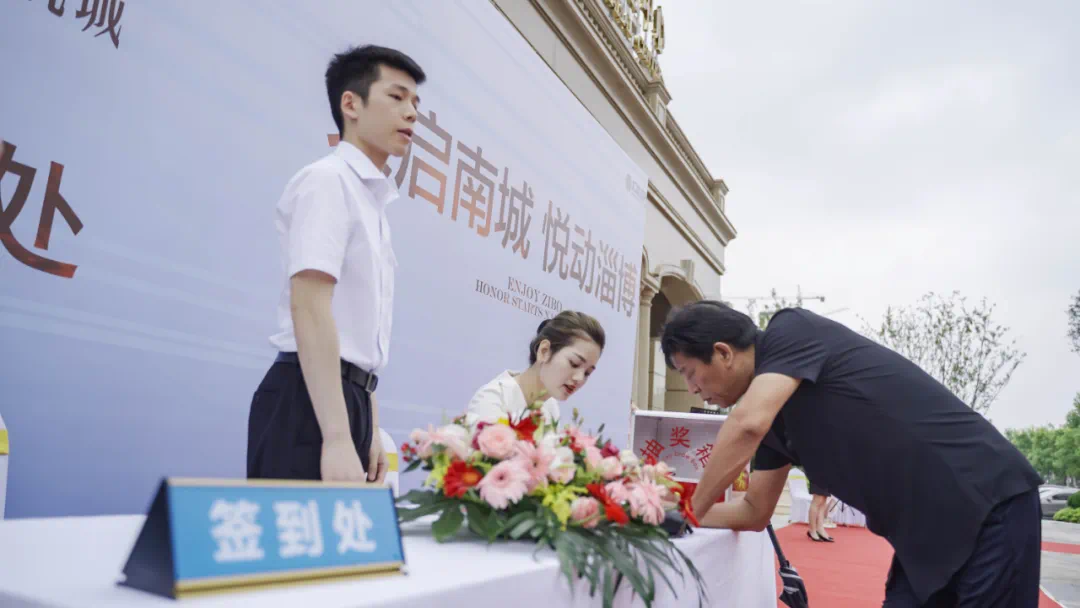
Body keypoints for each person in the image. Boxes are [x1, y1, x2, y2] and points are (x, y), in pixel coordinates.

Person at [660, 301, 1043, 607]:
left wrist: (686, 511)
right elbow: (754, 512)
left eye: (689, 372)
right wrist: (661, 514)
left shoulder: (791, 330)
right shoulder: (770, 422)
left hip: (984, 501)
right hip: (921, 537)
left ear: (723, 353)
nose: (692, 389)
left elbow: (746, 424)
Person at [247, 45, 426, 483]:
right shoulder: (328, 181)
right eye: (397, 97)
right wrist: (337, 436)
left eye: (416, 103)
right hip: (308, 404)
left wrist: (368, 422)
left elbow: (360, 336)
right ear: (351, 104)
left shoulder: (373, 202)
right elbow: (309, 307)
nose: (412, 113)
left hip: (349, 401)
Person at [466, 311, 605, 427]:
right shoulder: (493, 400)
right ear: (544, 351)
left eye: (587, 373)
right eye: (574, 363)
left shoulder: (550, 407)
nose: (579, 378)